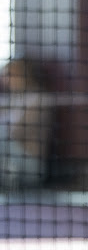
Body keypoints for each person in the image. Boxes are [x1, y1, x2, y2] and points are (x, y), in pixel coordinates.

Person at [0, 58, 53, 191]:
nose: (6, 80)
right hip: (9, 160)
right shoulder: (12, 99)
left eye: (10, 75)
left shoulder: (39, 99)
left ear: (22, 75)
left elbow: (15, 133)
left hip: (31, 166)